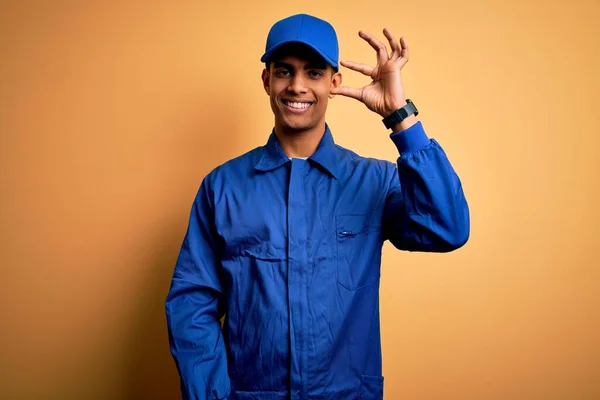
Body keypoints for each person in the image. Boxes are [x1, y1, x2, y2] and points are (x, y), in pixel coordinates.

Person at [165, 13, 469, 400]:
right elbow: (192, 302)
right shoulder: (223, 186)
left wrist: (400, 116)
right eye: (284, 72)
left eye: (313, 73)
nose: (297, 87)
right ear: (266, 80)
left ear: (334, 82)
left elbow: (448, 229)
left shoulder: (374, 182)